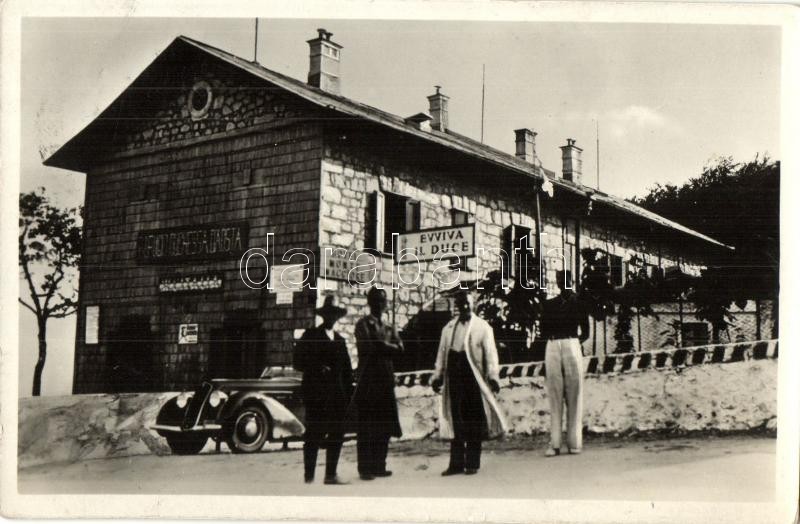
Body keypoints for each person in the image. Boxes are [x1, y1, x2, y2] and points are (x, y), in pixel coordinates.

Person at [431, 290, 508, 476]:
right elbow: (441, 354)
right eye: (461, 304)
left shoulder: (483, 327)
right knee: (456, 420)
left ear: (473, 304)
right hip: (454, 379)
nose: (464, 306)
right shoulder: (448, 328)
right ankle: (456, 464)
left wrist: (493, 377)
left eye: (467, 303)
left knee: (474, 420)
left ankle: (472, 463)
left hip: (473, 379)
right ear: (457, 306)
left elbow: (491, 355)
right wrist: (438, 376)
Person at [294, 295, 354, 485]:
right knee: (313, 434)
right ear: (323, 315)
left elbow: (347, 371)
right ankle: (309, 476)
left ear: (337, 317)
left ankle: (331, 474)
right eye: (328, 314)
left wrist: (348, 396)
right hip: (317, 396)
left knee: (337, 434)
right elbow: (297, 362)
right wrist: (317, 367)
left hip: (337, 397)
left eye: (334, 314)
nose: (331, 318)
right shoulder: (310, 336)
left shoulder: (340, 341)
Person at [354, 286, 403, 481]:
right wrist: (387, 347)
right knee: (367, 426)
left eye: (382, 300)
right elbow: (368, 347)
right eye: (376, 300)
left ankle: (379, 465)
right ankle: (365, 468)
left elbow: (401, 348)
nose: (380, 304)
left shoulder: (389, 327)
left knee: (384, 425)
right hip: (369, 381)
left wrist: (384, 346)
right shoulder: (362, 324)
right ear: (370, 302)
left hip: (385, 380)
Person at [539, 270, 590, 456]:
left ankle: (574, 442)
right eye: (560, 280)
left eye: (566, 280)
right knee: (554, 394)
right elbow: (543, 330)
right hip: (552, 346)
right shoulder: (549, 304)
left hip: (572, 344)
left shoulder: (579, 303)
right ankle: (555, 444)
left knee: (574, 393)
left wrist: (573, 343)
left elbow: (586, 332)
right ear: (557, 283)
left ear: (572, 280)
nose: (562, 283)